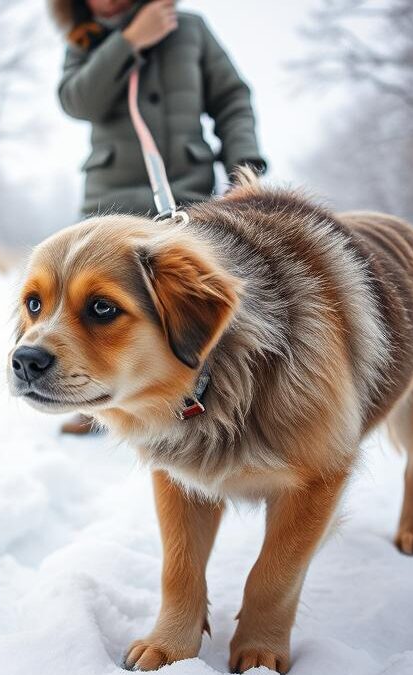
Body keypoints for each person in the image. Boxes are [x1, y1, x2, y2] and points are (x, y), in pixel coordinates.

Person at [49, 0, 267, 435]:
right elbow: (78, 101)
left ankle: (207, 403)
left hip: (187, 192)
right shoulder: (84, 39)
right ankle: (87, 397)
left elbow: (231, 98)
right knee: (95, 298)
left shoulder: (189, 28)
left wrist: (244, 167)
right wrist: (130, 41)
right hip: (107, 198)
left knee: (185, 300)